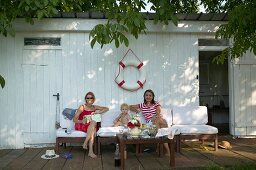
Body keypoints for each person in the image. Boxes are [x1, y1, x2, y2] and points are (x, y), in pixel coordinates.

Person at [129, 89, 170, 156]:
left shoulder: (156, 103)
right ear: (144, 96)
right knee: (162, 128)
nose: (148, 97)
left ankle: (161, 147)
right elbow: (130, 107)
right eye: (147, 95)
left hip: (158, 120)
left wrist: (156, 115)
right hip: (150, 123)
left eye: (150, 95)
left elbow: (158, 110)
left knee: (161, 127)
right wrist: (137, 110)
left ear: (153, 97)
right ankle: (166, 150)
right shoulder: (142, 105)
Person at [73, 92, 109, 158]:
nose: (89, 99)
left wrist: (98, 112)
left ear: (93, 99)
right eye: (88, 98)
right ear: (85, 99)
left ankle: (86, 143)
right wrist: (81, 121)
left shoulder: (94, 107)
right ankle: (90, 151)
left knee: (93, 125)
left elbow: (107, 108)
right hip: (82, 124)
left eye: (91, 98)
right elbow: (74, 119)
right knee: (93, 127)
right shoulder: (82, 107)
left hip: (91, 125)